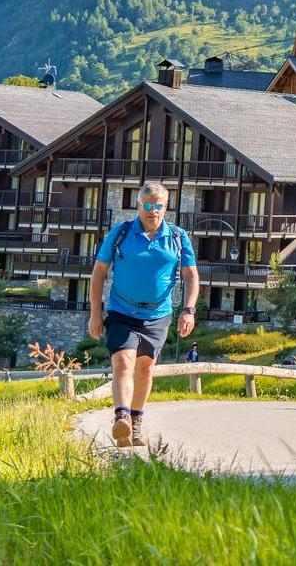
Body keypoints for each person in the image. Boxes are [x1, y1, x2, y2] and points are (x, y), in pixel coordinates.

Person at [88, 181, 198, 448]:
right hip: (122, 310)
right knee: (123, 362)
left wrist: (188, 310)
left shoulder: (177, 237)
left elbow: (191, 275)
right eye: (147, 205)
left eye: (158, 206)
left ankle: (136, 423)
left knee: (146, 368)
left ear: (166, 207)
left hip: (157, 315)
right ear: (138, 206)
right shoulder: (122, 233)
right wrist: (95, 313)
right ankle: (121, 417)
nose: (153, 211)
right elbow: (99, 272)